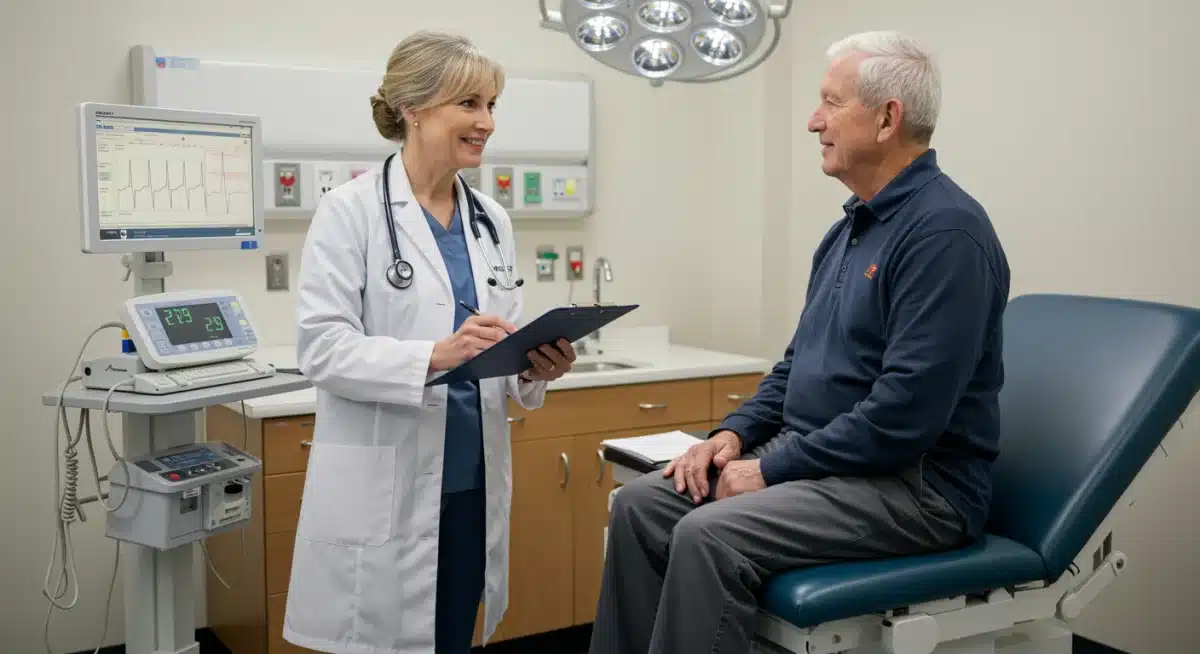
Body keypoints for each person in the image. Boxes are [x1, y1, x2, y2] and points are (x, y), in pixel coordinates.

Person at [589, 30, 1011, 654]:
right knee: (642, 507)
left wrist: (770, 468)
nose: (814, 121)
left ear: (887, 117)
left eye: (831, 103)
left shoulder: (944, 234)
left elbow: (906, 415)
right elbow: (795, 368)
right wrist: (731, 436)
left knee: (711, 533)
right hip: (831, 464)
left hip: (915, 487)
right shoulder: (850, 231)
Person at [283, 31, 576, 654]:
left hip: (472, 479)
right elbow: (321, 347)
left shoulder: (490, 219)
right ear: (414, 109)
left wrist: (535, 366)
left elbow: (498, 339)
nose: (487, 122)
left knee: (451, 638)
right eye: (469, 104)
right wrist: (433, 355)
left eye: (492, 105)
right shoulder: (349, 211)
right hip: (387, 483)